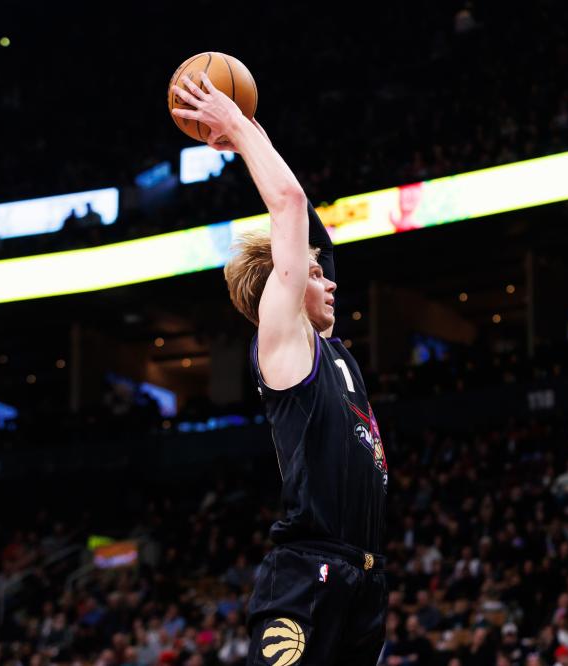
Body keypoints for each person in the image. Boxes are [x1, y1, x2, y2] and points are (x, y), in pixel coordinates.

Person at [171, 72, 388, 665]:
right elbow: (288, 206)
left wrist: (246, 126)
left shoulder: (332, 351)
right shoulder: (284, 339)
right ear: (281, 291)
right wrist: (237, 130)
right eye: (314, 273)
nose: (330, 278)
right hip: (307, 572)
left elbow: (309, 221)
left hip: (364, 579)